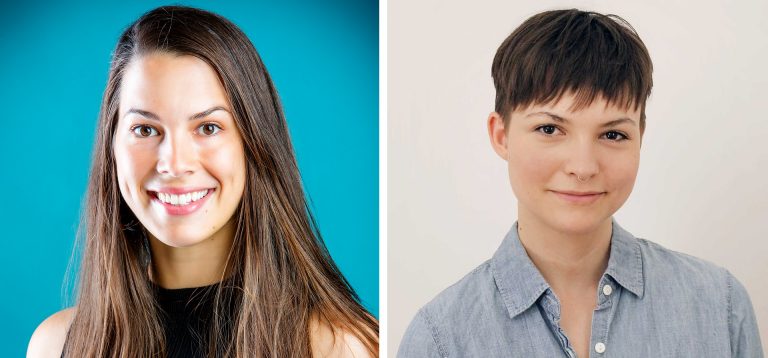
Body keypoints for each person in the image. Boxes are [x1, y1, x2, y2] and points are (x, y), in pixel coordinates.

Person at [397, 9, 762, 358]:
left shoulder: (720, 306)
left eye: (613, 135)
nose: (583, 166)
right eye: (550, 129)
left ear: (641, 137)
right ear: (501, 135)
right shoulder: (441, 337)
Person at [26, 6, 378, 358]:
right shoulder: (56, 347)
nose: (175, 164)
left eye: (208, 128)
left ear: (254, 144)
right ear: (112, 148)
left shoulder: (339, 345)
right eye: (145, 129)